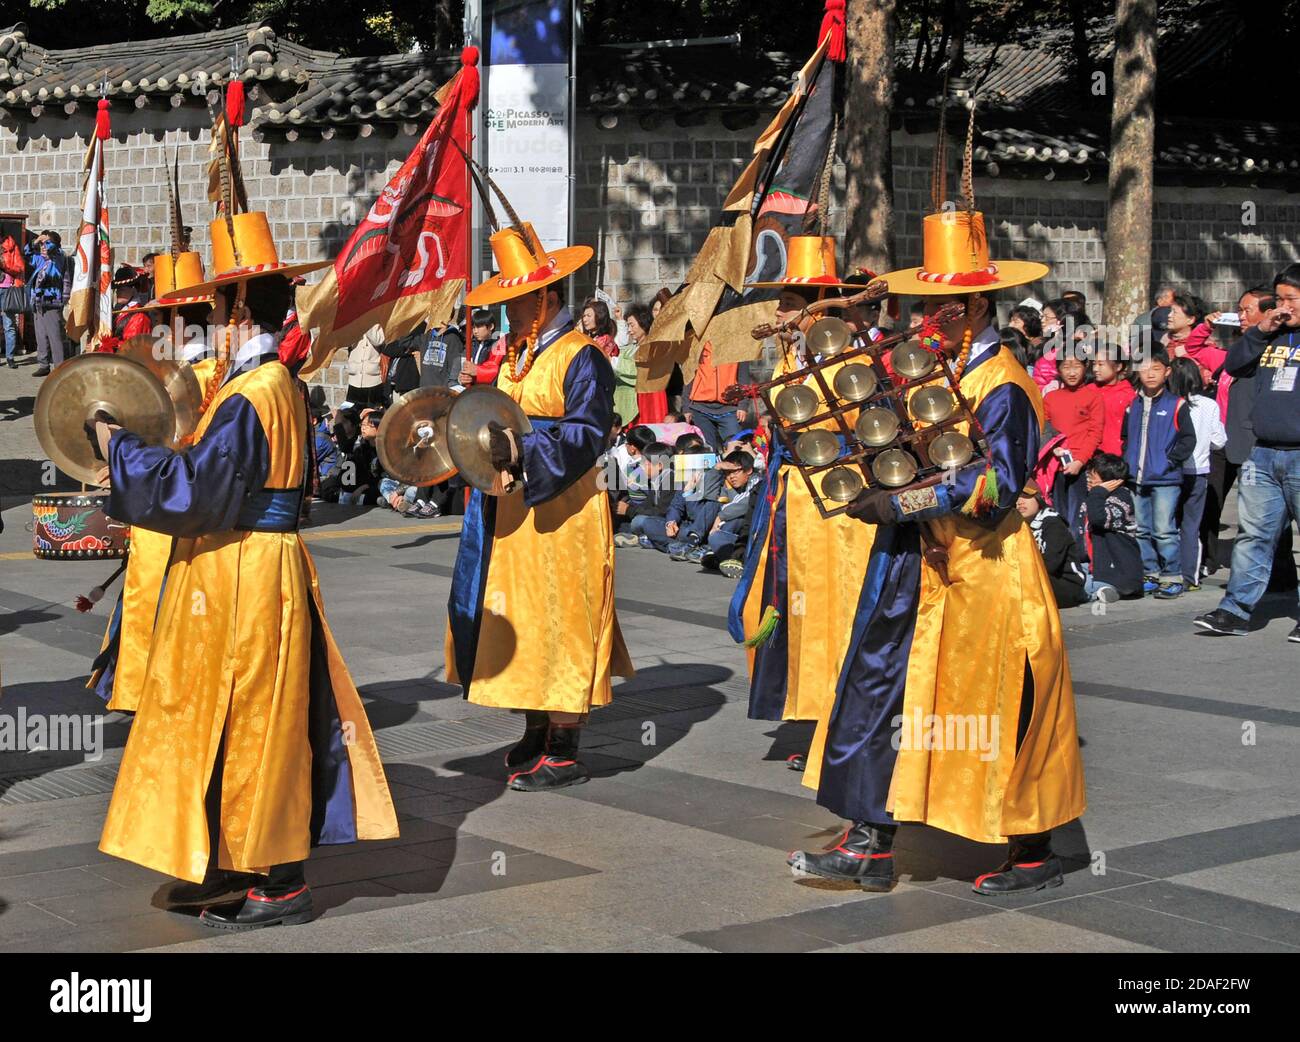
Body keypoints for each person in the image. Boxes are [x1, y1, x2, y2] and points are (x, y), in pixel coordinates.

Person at [92, 210, 398, 929]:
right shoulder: (273, 385)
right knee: (228, 717)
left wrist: (116, 448)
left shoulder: (253, 396)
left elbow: (194, 490)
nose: (205, 319)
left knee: (261, 718)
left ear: (233, 310)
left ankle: (279, 876)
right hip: (246, 566)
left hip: (248, 572)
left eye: (212, 306)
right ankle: (230, 856)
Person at [791, 204, 1086, 894]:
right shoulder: (936, 366)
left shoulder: (1004, 384)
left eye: (943, 306)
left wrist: (896, 501)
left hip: (984, 571)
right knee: (878, 688)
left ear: (976, 306)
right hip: (916, 562)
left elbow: (995, 485)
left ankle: (1033, 848)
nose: (928, 316)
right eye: (926, 304)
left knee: (998, 707)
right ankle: (870, 838)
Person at [445, 218, 633, 791]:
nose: (510, 313)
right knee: (524, 617)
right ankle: (534, 724)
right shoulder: (513, 357)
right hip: (514, 511)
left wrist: (523, 448)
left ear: (546, 297)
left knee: (565, 619)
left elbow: (585, 434)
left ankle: (566, 743)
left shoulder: (582, 358)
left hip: (566, 509)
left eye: (518, 300)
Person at [729, 235, 876, 778]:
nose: (780, 311)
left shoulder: (849, 354)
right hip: (793, 494)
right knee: (800, 610)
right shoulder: (793, 351)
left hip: (837, 498)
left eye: (789, 301)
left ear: (817, 304)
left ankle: (841, 719)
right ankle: (814, 714)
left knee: (837, 609)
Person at [1195, 264, 1300, 642]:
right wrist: (1260, 331)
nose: (1284, 307)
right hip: (1263, 453)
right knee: (1253, 535)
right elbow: (1234, 364)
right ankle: (1234, 611)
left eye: (1291, 299)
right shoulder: (1270, 336)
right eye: (1280, 299)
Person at [1122, 347, 1195, 598]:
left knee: (1164, 529)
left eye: (1156, 368)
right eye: (1144, 368)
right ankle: (1149, 573)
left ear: (1167, 372)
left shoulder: (1177, 404)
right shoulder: (1133, 404)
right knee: (1141, 529)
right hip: (1136, 478)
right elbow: (1125, 437)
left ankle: (1172, 576)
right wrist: (1126, 462)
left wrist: (1170, 461)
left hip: (1165, 478)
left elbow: (1188, 439)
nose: (1150, 374)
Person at [1168, 357, 1226, 591]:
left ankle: (1167, 570)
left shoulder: (1168, 403)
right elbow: (1219, 441)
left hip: (1169, 472)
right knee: (1191, 526)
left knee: (1167, 523)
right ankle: (1189, 575)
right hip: (1198, 472)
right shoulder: (1209, 405)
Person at [1042, 354, 1102, 554]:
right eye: (1066, 367)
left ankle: (1082, 555)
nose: (1072, 372)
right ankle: (1064, 554)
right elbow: (1045, 427)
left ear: (1085, 367)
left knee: (1079, 512)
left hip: (1081, 465)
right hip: (1056, 465)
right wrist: (1053, 448)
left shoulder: (1092, 396)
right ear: (1058, 369)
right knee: (1059, 511)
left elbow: (1095, 433)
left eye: (1076, 366)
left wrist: (1080, 460)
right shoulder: (1051, 398)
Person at [1083, 453, 1143, 602]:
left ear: (1110, 482)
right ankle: (1098, 589)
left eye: (1092, 479)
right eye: (1088, 477)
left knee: (1079, 589)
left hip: (1119, 574)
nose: (1089, 482)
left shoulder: (1121, 499)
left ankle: (1103, 590)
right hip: (1096, 568)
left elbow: (1098, 519)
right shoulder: (1094, 496)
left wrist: (1099, 491)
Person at [1016, 482, 1087, 608]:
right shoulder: (1017, 526)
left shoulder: (1053, 523)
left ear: (1039, 498)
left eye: (1026, 496)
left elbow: (1051, 564)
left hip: (1066, 584)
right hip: (1039, 580)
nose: (1020, 502)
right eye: (1015, 498)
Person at [699, 450, 761, 571]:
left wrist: (720, 517)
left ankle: (731, 560)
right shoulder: (729, 485)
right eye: (727, 473)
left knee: (720, 533)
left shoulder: (757, 481)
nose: (731, 476)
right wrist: (717, 468)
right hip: (733, 537)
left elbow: (743, 503)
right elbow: (709, 495)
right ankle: (721, 557)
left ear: (748, 470)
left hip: (750, 539)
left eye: (735, 471)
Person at [28, 231, 70, 375]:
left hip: (52, 303)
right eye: (42, 244)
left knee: (54, 337)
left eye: (46, 243)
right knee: (41, 335)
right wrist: (36, 241)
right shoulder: (41, 260)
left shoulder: (58, 258)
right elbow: (26, 253)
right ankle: (44, 364)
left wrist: (47, 240)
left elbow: (53, 248)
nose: (43, 247)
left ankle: (59, 368)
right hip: (38, 303)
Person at [1092, 351, 1136, 456]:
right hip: (1090, 452)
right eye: (1094, 364)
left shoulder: (1128, 396)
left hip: (1116, 456)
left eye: (1101, 364)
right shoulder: (1089, 391)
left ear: (1118, 367)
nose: (1095, 369)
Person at [459, 307, 504, 387]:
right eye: (474, 327)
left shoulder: (498, 345)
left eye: (479, 327)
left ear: (491, 326)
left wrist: (477, 371)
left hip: (489, 393)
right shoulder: (471, 346)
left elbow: (495, 370)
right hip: (473, 391)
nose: (475, 331)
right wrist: (462, 378)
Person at [1, 231, 24, 368]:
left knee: (8, 324)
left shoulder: (11, 246)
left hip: (7, 289)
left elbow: (20, 267)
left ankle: (10, 357)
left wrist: (4, 265)